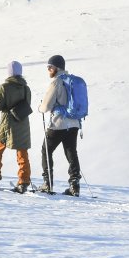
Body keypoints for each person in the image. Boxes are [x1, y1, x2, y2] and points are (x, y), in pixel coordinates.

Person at [0, 60, 32, 193]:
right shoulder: (26, 89)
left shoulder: (4, 87)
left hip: (7, 124)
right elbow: (26, 105)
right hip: (22, 124)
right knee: (22, 154)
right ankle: (23, 182)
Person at [38, 54, 82, 196]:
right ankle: (74, 185)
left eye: (50, 67)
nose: (48, 70)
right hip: (74, 123)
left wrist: (40, 108)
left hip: (59, 123)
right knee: (71, 151)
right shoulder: (72, 81)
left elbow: (46, 106)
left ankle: (47, 183)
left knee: (46, 150)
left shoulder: (56, 82)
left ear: (57, 68)